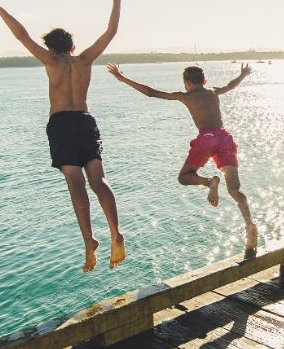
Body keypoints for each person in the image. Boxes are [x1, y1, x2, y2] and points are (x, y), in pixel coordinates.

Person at [0, 0, 125, 272]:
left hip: (61, 124)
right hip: (86, 122)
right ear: (72, 47)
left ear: (51, 48)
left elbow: (21, 34)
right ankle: (116, 231)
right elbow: (111, 32)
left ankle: (89, 240)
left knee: (76, 182)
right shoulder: (85, 60)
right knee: (98, 181)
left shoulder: (51, 61)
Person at [107, 62, 259, 253]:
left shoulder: (186, 96)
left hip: (207, 138)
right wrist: (243, 74)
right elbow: (231, 85)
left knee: (184, 177)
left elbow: (151, 92)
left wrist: (122, 79)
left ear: (187, 83)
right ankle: (249, 224)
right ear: (204, 81)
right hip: (225, 137)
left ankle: (210, 182)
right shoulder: (213, 92)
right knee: (235, 189)